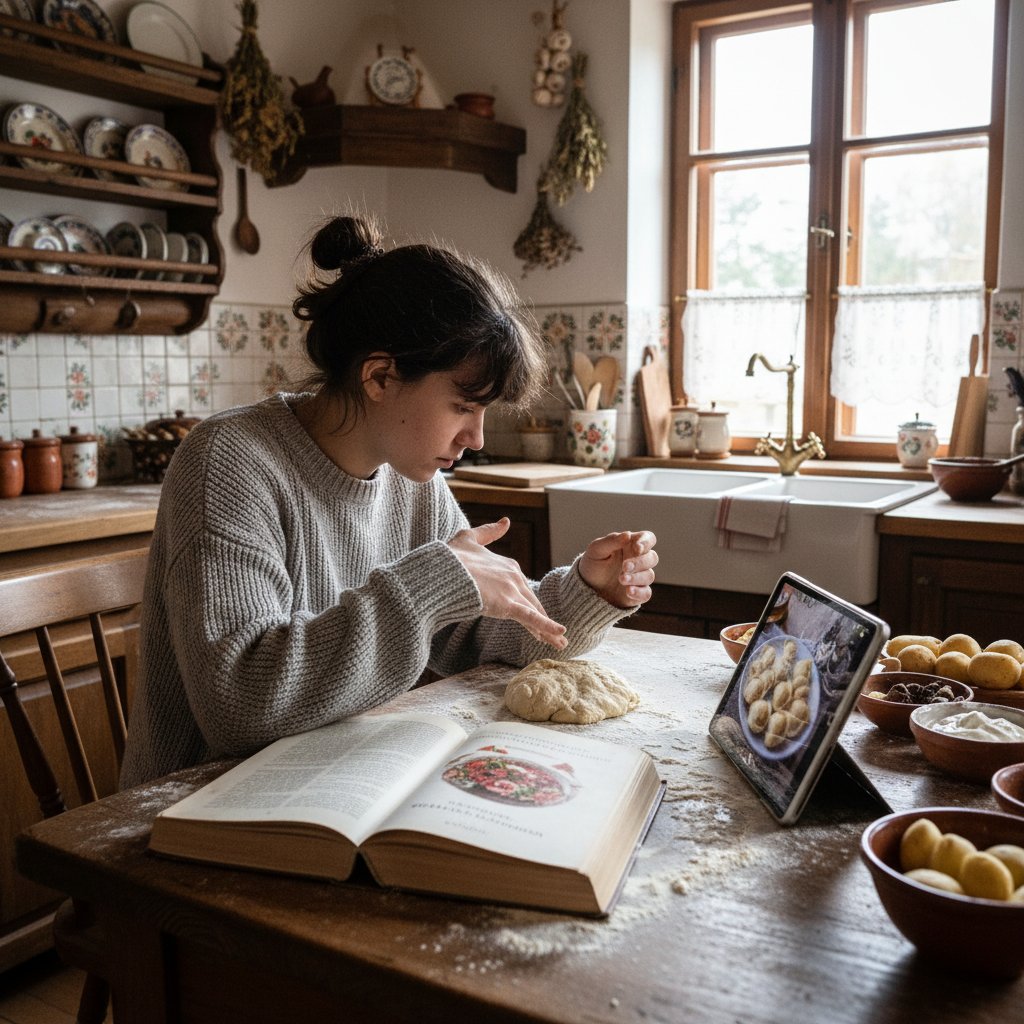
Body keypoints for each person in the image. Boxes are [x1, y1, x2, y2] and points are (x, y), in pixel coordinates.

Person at [120, 215, 659, 788]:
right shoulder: (229, 460)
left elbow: (469, 634)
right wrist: (430, 584)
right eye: (462, 407)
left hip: (336, 774)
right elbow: (240, 704)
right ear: (379, 377)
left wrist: (585, 592)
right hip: (195, 807)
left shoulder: (411, 475)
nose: (476, 438)